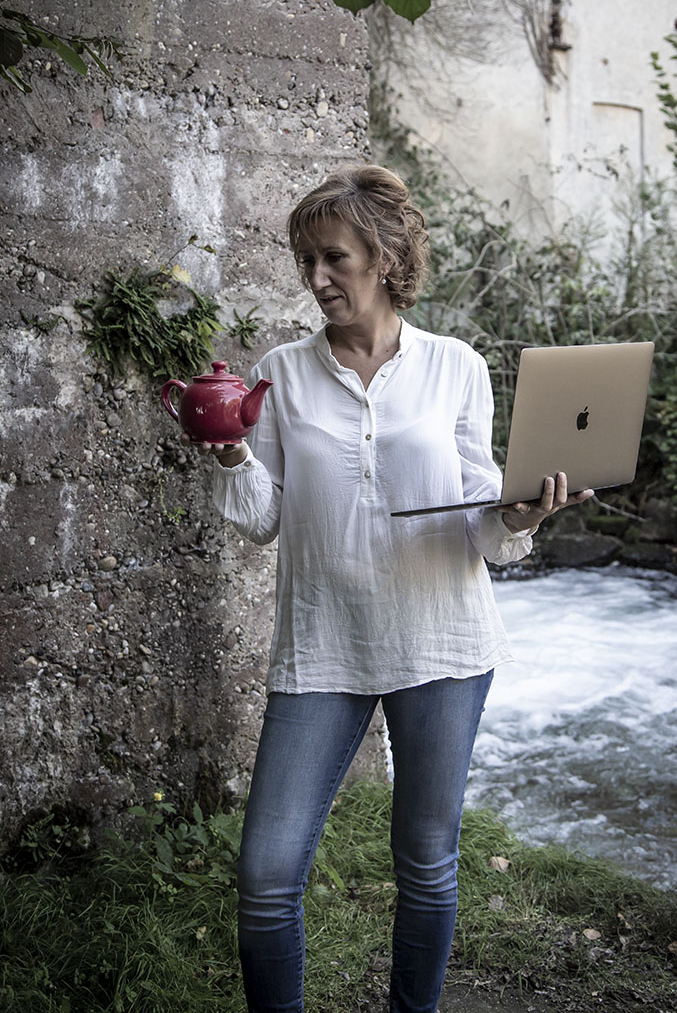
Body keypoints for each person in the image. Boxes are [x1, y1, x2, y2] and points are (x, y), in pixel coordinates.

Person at [193, 164, 593, 1013]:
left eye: (333, 258)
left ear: (382, 255)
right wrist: (232, 456)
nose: (317, 279)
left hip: (443, 641)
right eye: (306, 261)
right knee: (266, 876)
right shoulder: (281, 373)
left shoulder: (457, 367)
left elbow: (482, 523)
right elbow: (263, 518)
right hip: (323, 644)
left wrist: (522, 515)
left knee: (427, 863)